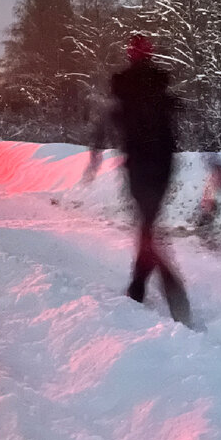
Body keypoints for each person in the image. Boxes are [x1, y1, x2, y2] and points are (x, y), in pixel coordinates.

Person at [85, 34, 191, 326]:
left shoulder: (122, 87)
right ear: (150, 55)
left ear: (131, 56)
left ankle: (150, 287)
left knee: (146, 226)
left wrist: (94, 157)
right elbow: (176, 115)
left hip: (139, 165)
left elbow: (106, 122)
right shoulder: (161, 86)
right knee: (148, 223)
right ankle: (139, 286)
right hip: (164, 165)